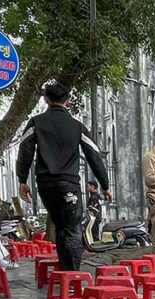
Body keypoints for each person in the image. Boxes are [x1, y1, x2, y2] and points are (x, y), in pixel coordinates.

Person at [17, 81, 112, 271]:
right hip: (68, 184)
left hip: (45, 185)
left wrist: (22, 180)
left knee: (61, 226)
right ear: (67, 100)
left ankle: (65, 270)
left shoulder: (36, 122)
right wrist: (105, 184)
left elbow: (25, 150)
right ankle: (73, 276)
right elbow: (94, 154)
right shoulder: (77, 126)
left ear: (45, 98)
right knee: (72, 228)